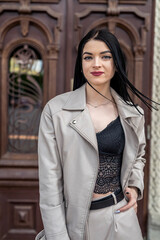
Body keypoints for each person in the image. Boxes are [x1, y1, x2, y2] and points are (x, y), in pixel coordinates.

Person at [35, 28, 158, 240]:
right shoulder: (56, 111)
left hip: (121, 217)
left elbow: (138, 154)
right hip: (76, 224)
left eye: (106, 56)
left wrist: (135, 187)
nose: (96, 63)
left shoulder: (133, 114)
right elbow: (49, 184)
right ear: (81, 65)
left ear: (116, 64)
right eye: (88, 57)